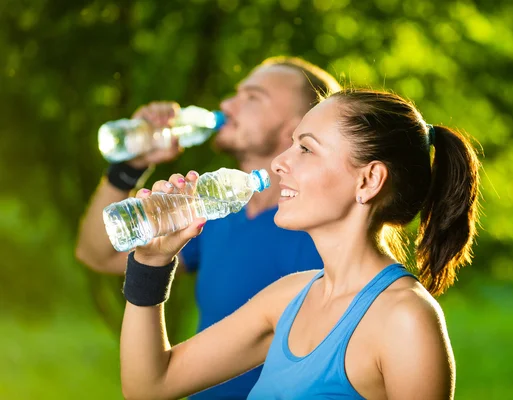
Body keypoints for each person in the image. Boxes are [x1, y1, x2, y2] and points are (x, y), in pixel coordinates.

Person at [119, 88, 482, 399]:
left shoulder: (405, 320)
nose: (278, 162)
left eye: (306, 149)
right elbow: (150, 386)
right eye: (291, 144)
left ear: (369, 180)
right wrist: (151, 263)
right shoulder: (286, 299)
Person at [75, 57, 342, 399]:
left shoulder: (324, 234)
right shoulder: (218, 211)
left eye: (252, 98)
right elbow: (96, 253)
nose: (228, 105)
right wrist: (130, 165)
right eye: (235, 94)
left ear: (297, 126)